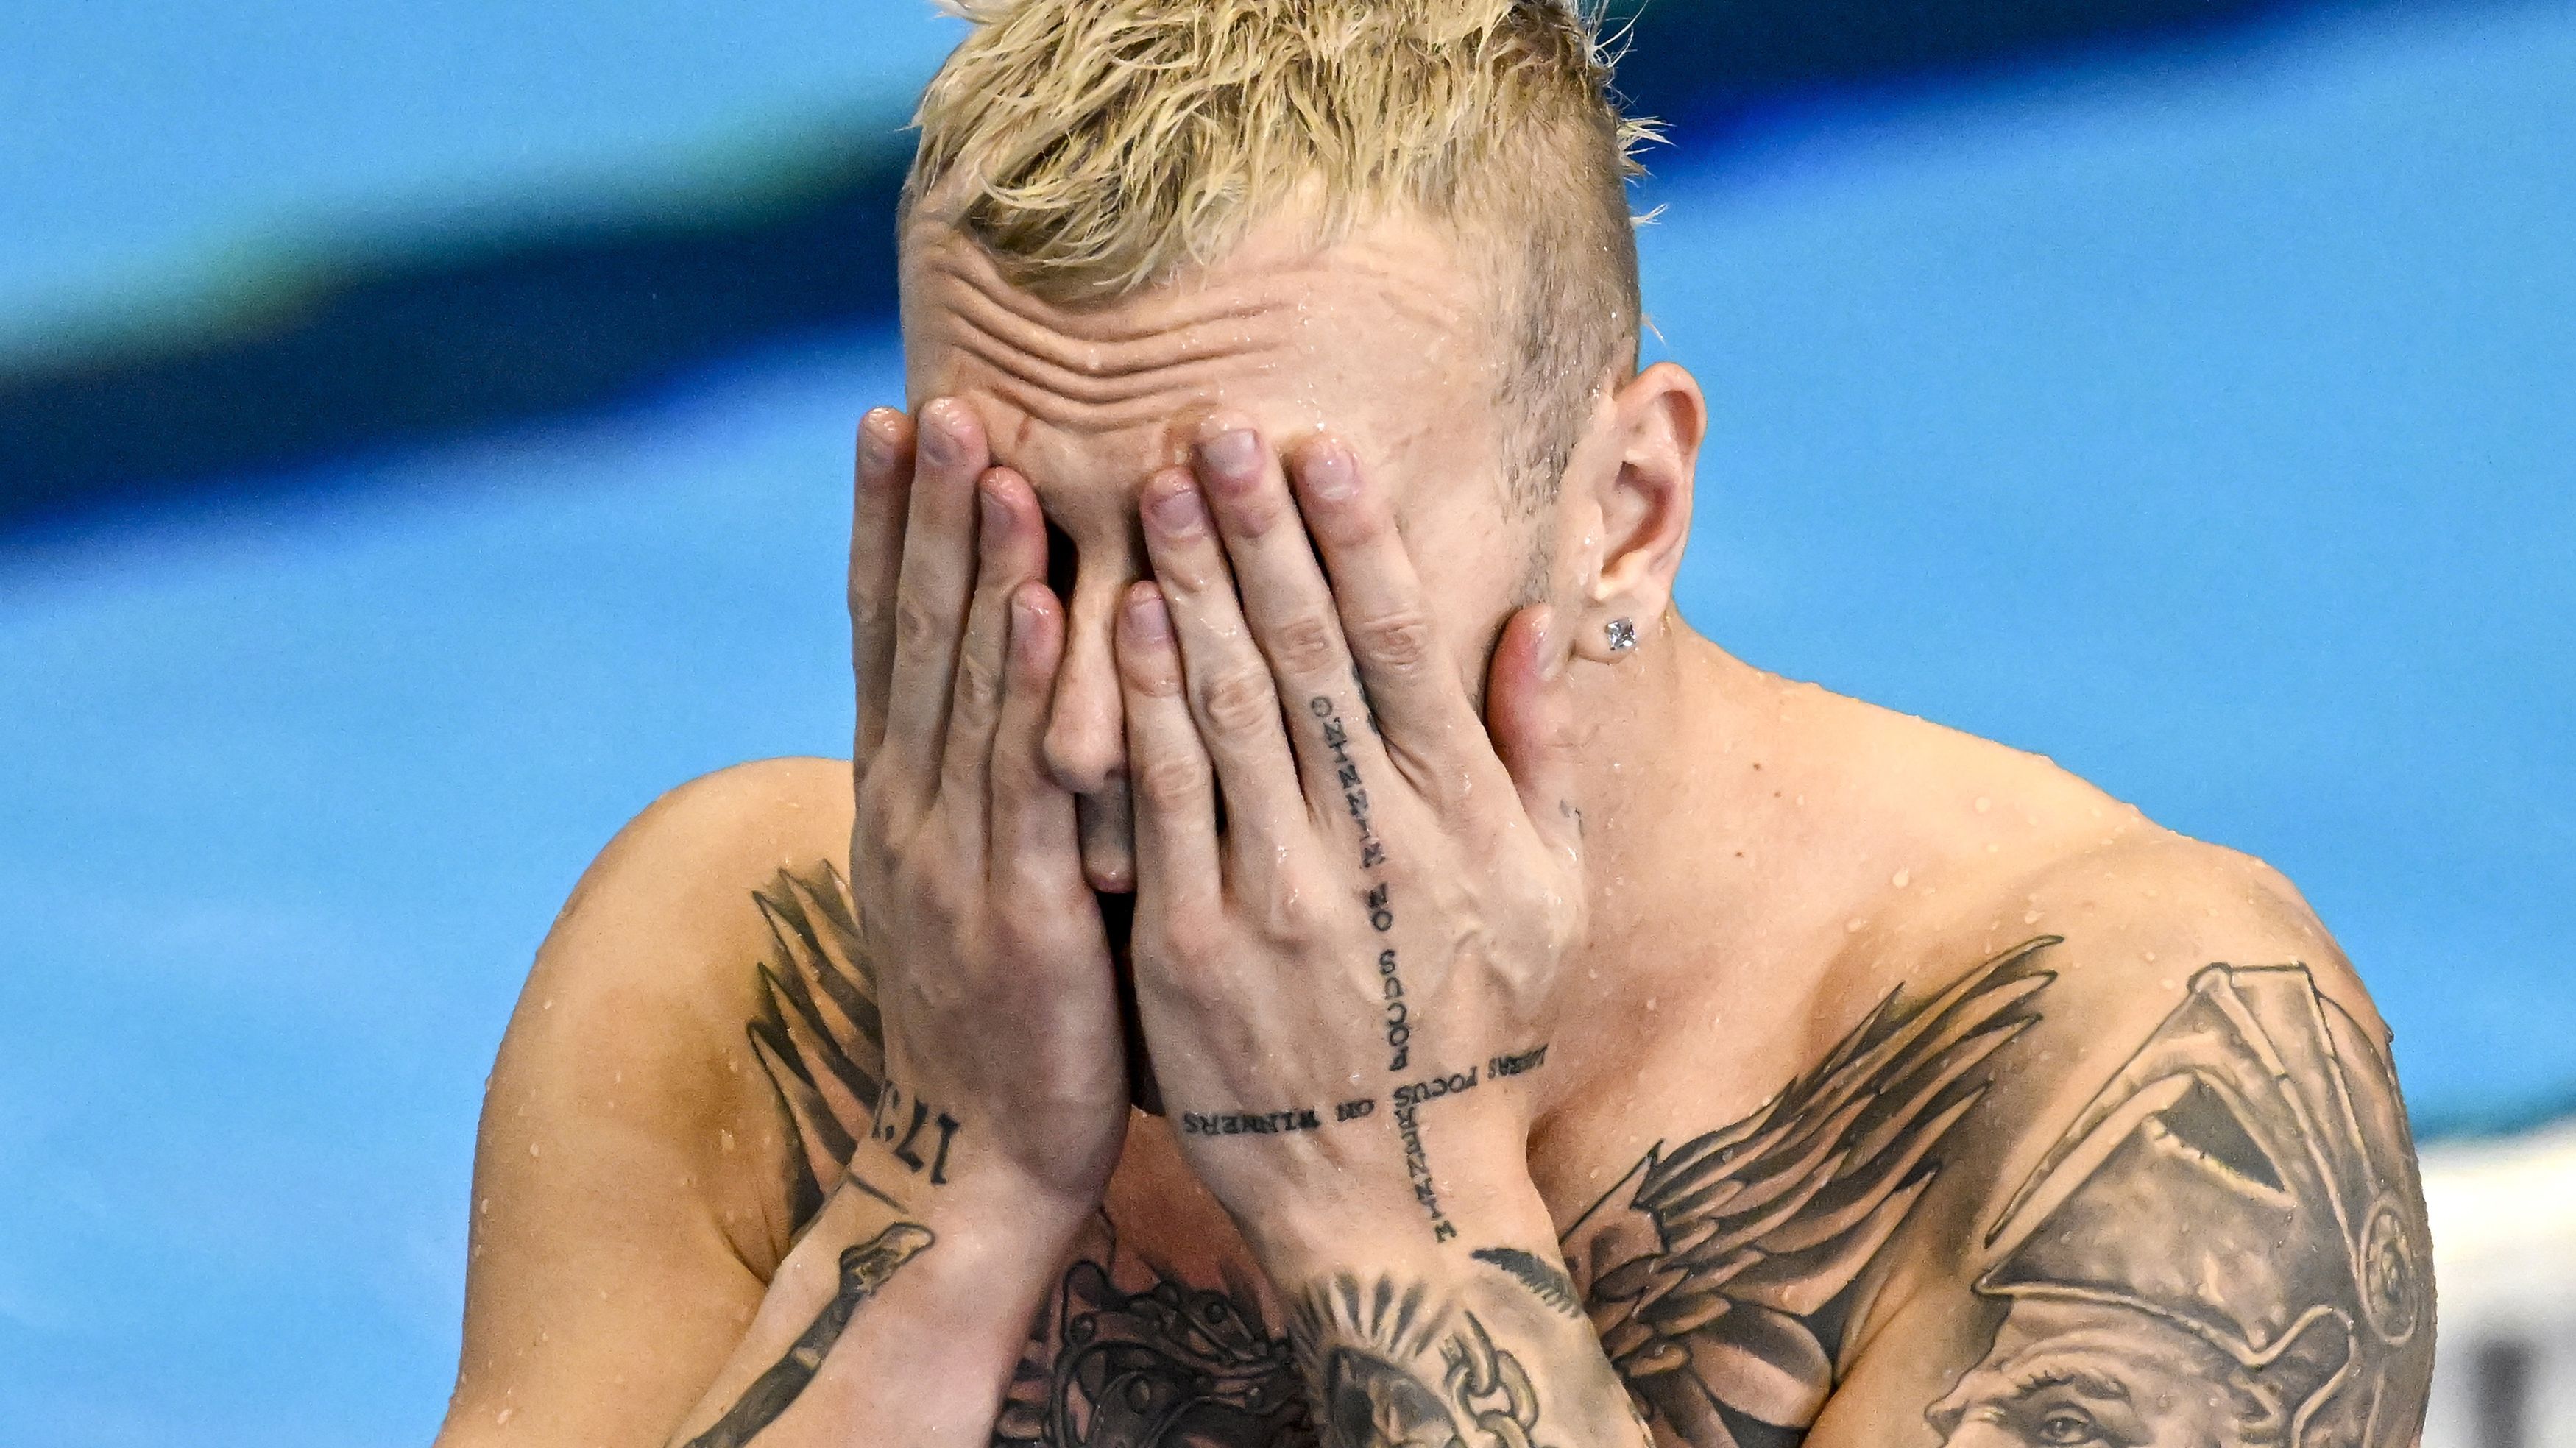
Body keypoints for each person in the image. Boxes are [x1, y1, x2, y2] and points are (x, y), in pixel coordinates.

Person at [431, 3, 2435, 1446]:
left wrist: (1386, 1198)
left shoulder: (2133, 1069)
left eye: (1273, 557)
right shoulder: (753, 960)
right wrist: (941, 1207)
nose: (1118, 705)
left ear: (1622, 512)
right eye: (1027, 539)